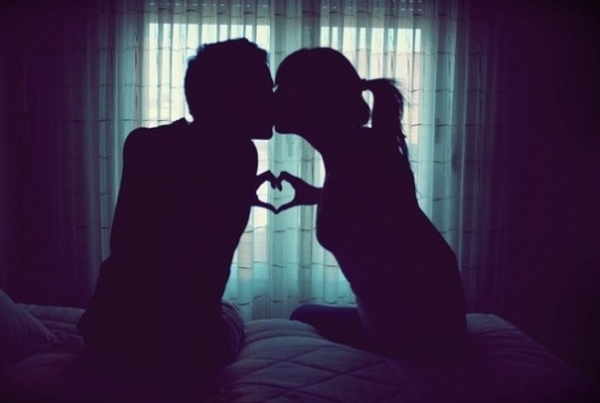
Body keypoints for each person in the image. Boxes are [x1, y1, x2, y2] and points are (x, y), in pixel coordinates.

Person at [77, 38, 277, 398]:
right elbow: (195, 266)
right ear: (233, 98)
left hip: (108, 326)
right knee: (233, 321)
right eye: (265, 90)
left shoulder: (144, 144)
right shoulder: (239, 155)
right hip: (177, 344)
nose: (273, 101)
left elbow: (144, 241)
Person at [274, 47, 467, 361]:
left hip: (419, 333)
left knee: (302, 315)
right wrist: (316, 194)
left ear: (310, 100)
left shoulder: (361, 155)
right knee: (303, 314)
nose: (274, 97)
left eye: (281, 88)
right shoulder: (358, 149)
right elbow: (377, 211)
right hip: (423, 322)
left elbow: (387, 229)